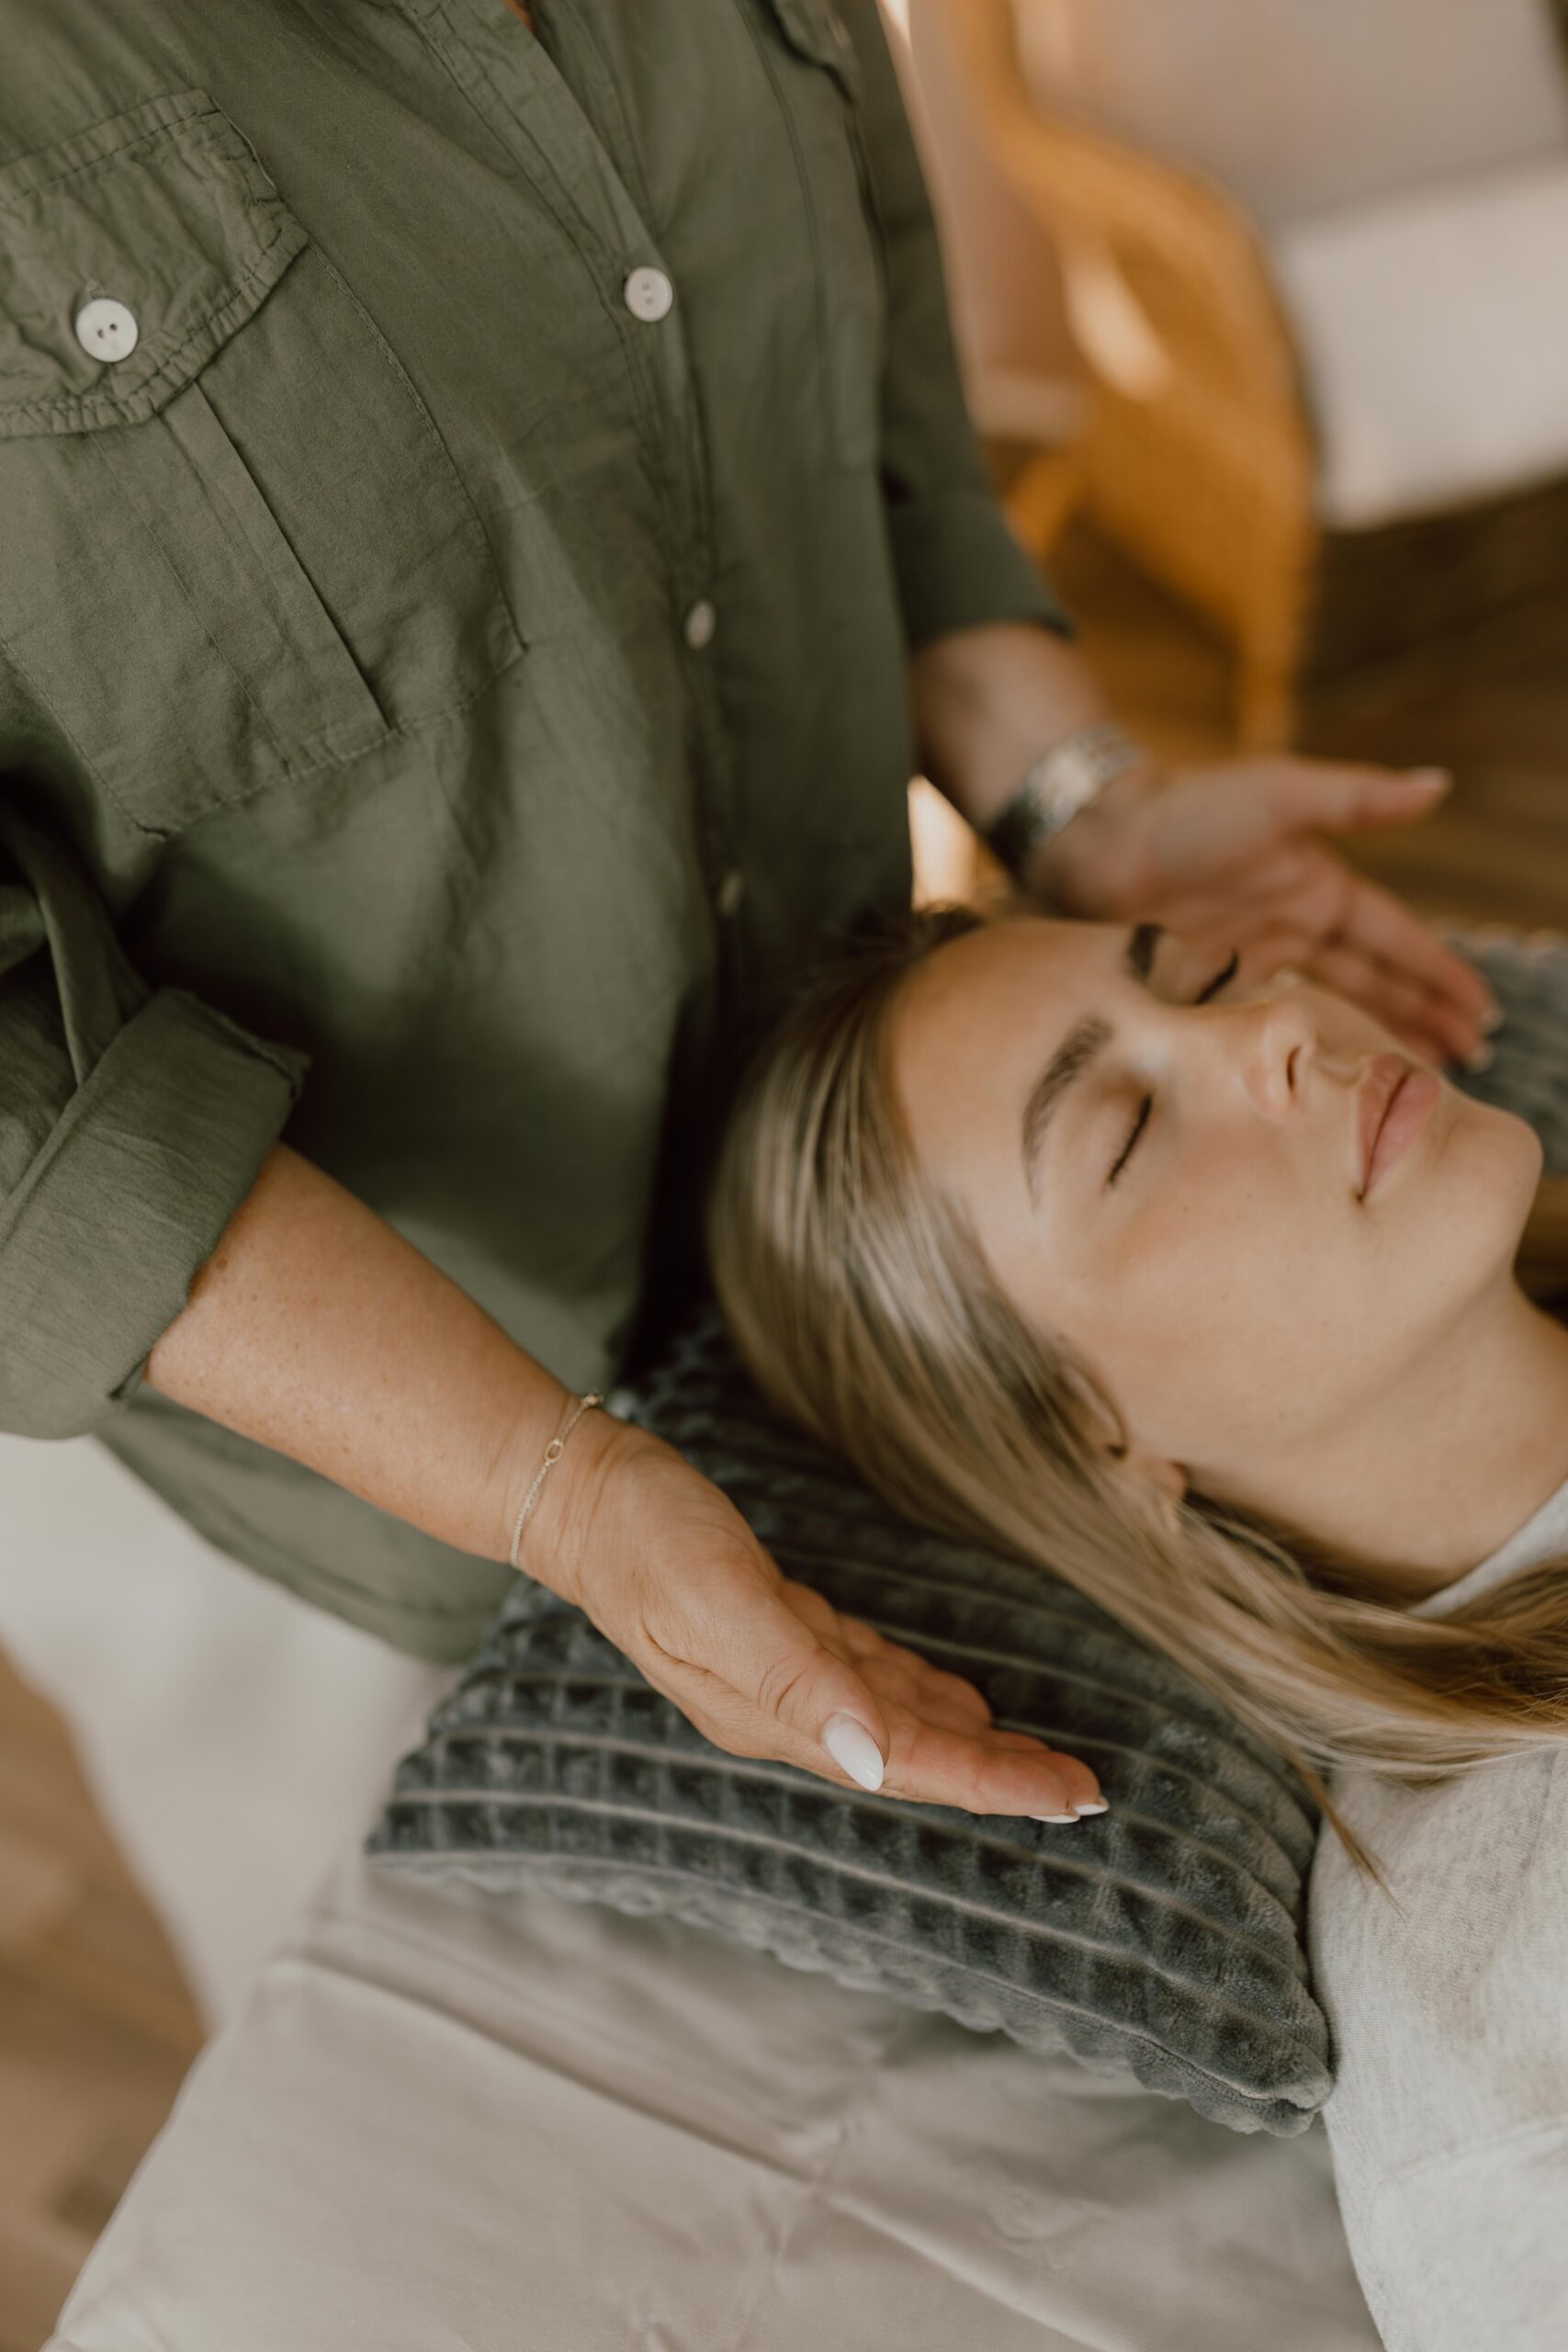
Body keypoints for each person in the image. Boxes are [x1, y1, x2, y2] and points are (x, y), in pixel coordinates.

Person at [0, 0, 1498, 1828]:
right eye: (1112, 1119)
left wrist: (1076, 799)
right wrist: (557, 1491)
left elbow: (868, 388)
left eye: (1192, 992)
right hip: (332, 1489)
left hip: (865, 1259)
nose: (1264, 1022)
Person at [705, 893, 1568, 1862]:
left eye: (1210, 979)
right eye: (1130, 1129)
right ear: (1083, 1429)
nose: (1278, 1020)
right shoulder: (1506, 1901)